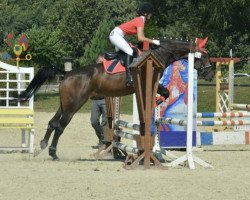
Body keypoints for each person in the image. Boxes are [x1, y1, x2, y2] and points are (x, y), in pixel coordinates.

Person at [109, 2, 160, 85]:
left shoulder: (140, 20)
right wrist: (154, 41)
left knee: (128, 51)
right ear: (146, 13)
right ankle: (130, 78)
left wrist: (150, 43)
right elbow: (141, 38)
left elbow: (141, 39)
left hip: (117, 35)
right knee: (130, 51)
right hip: (116, 35)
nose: (151, 15)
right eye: (150, 13)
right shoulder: (140, 20)